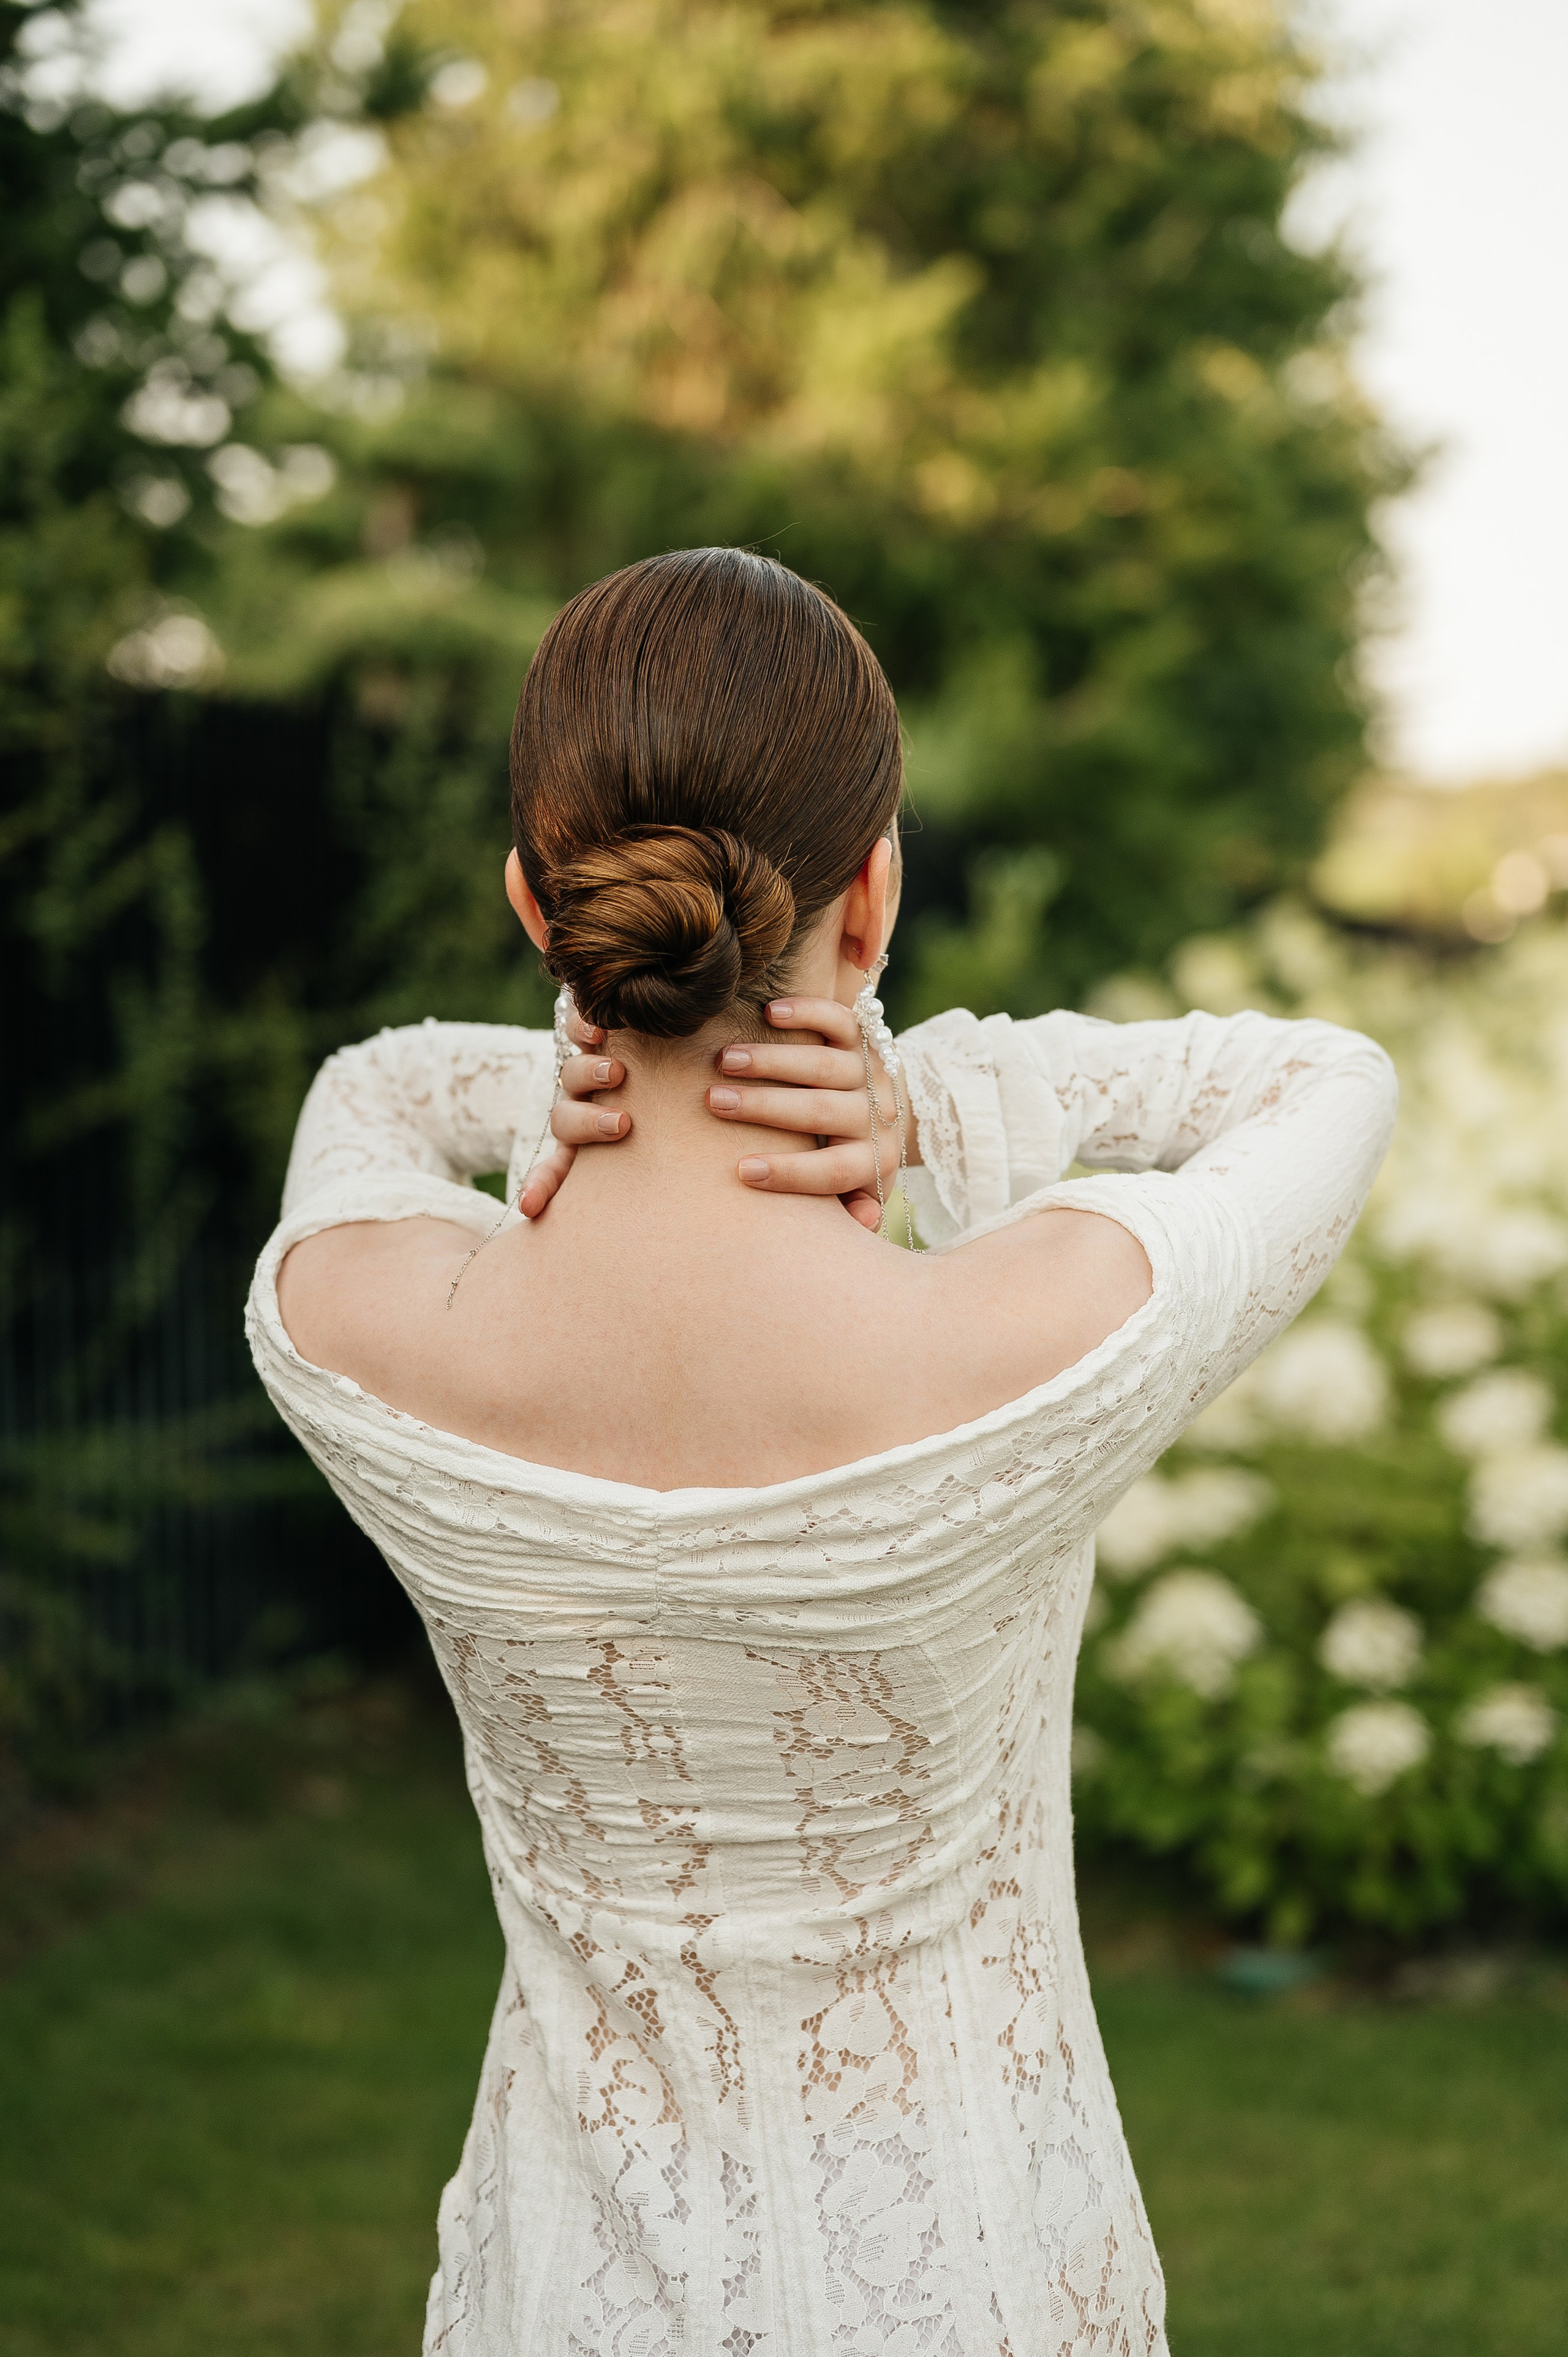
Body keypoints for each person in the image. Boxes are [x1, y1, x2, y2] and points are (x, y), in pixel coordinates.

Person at [248, 547, 1396, 2356]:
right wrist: (927, 1094)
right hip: (991, 2275)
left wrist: (559, 1080)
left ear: (540, 915)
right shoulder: (1021, 1344)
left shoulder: (353, 1330)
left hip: (563, 2296)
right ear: (870, 896)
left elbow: (367, 1091)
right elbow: (1328, 1079)